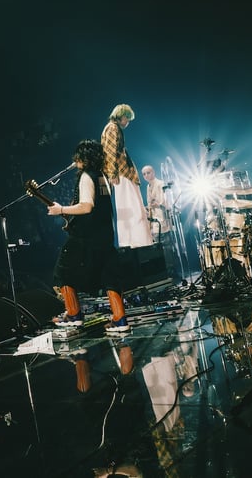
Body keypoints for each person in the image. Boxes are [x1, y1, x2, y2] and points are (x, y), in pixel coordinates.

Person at [45, 139, 129, 333]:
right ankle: (120, 320)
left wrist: (61, 210)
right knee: (109, 275)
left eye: (78, 158)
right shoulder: (102, 176)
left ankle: (73, 315)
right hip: (105, 234)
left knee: (62, 271)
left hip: (86, 236)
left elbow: (87, 206)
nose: (75, 161)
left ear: (83, 157)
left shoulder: (86, 176)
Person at [101, 103, 153, 249]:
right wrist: (112, 173)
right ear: (121, 116)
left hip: (123, 173)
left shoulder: (114, 128)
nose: (128, 122)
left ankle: (135, 242)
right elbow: (110, 152)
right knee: (132, 208)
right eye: (127, 119)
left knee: (132, 208)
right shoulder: (112, 128)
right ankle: (137, 243)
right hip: (121, 174)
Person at [142, 164, 176, 279]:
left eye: (148, 173)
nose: (146, 175)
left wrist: (157, 204)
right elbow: (150, 204)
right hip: (155, 222)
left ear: (153, 172)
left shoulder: (161, 184)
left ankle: (171, 271)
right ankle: (164, 272)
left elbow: (166, 202)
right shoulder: (148, 187)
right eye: (144, 174)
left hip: (163, 220)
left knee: (167, 248)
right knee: (159, 248)